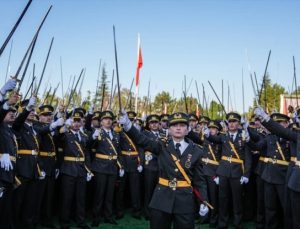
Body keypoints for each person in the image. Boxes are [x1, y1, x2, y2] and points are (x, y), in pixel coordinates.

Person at [119, 111, 209, 229]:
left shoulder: (197, 151)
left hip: (184, 200)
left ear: (187, 130)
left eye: (182, 125)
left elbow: (199, 180)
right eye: (174, 125)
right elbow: (142, 140)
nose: (178, 128)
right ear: (169, 129)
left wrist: (204, 201)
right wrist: (128, 126)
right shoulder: (161, 145)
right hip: (161, 198)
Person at [204, 112, 252, 229]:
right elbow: (214, 138)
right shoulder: (223, 136)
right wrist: (207, 135)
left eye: (234, 121)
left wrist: (246, 174)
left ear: (238, 123)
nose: (231, 124)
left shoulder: (244, 135)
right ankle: (222, 223)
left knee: (237, 200)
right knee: (223, 199)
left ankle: (238, 223)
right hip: (223, 172)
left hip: (237, 172)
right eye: (229, 122)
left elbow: (248, 157)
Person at [57, 110, 92, 229]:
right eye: (74, 121)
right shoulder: (65, 134)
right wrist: (64, 124)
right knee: (67, 197)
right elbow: (58, 136)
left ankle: (80, 221)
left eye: (78, 121)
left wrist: (89, 169)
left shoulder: (83, 136)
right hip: (68, 169)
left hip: (81, 170)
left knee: (80, 197)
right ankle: (65, 221)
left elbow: (86, 154)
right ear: (70, 122)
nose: (76, 124)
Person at [90, 110, 123, 226]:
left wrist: (121, 166)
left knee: (110, 194)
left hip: (113, 167)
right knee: (99, 194)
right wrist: (93, 138)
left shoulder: (116, 134)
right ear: (101, 122)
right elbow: (89, 147)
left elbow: (118, 152)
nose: (108, 121)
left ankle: (108, 216)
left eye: (110, 119)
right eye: (105, 119)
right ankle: (96, 217)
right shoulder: (97, 132)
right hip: (100, 167)